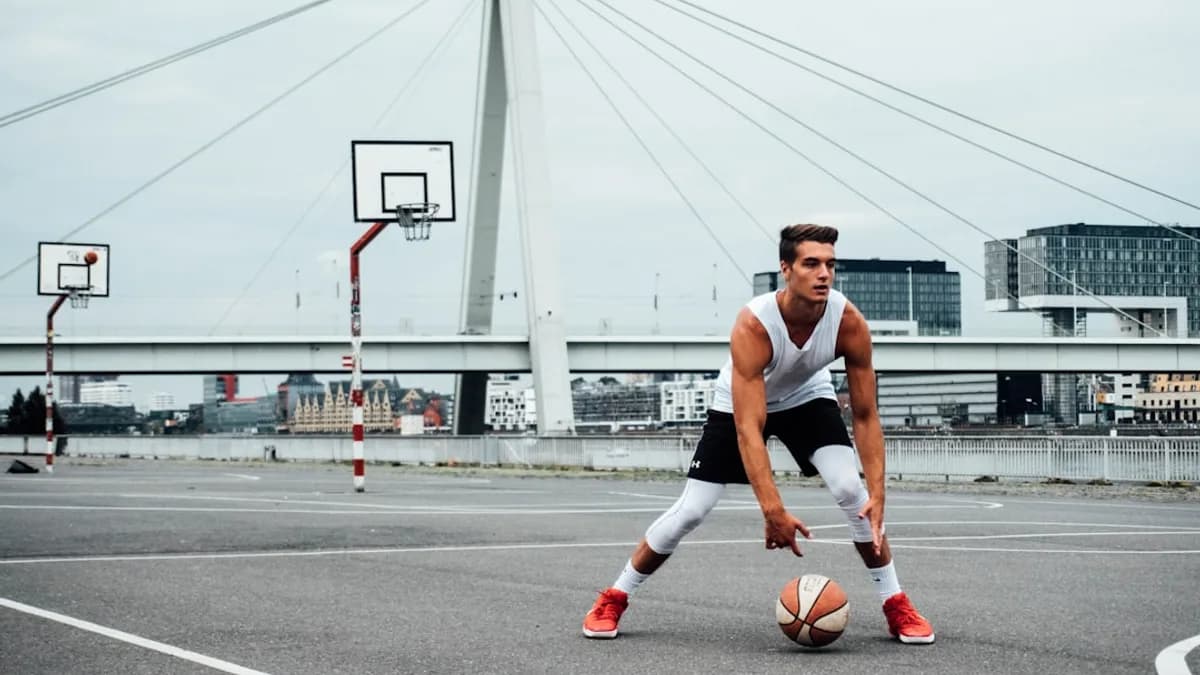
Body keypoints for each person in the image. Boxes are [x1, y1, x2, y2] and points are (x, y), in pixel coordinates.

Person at [581, 223, 935, 644]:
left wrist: (879, 492)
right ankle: (614, 597)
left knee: (852, 493)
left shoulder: (848, 322)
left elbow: (865, 414)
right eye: (811, 264)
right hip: (739, 404)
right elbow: (749, 429)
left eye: (830, 264)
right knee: (692, 509)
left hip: (807, 396)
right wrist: (773, 510)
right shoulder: (754, 324)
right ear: (786, 269)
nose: (824, 273)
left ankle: (896, 604)